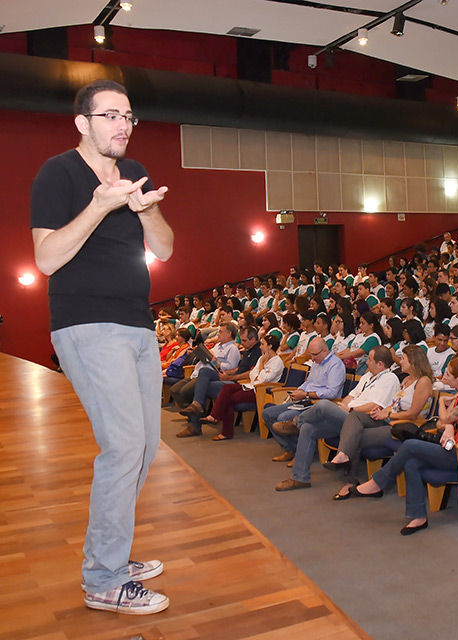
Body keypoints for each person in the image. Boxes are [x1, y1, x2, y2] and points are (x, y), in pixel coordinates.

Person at [30, 79, 173, 614]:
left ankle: (109, 554)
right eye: (111, 115)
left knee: (145, 446)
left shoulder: (136, 174)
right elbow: (46, 259)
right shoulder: (57, 173)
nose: (123, 125)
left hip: (137, 325)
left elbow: (164, 246)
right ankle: (104, 578)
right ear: (82, 123)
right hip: (86, 325)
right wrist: (98, 206)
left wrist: (144, 208)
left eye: (129, 116)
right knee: (121, 448)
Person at [349, 358, 458, 534]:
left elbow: (445, 419)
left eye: (448, 374)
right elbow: (441, 423)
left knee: (409, 445)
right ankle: (418, 517)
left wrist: (443, 410)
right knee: (411, 463)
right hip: (452, 448)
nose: (444, 376)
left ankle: (378, 482)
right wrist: (447, 424)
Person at [273, 346, 400, 491]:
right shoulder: (367, 376)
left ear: (380, 364)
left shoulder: (390, 379)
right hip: (348, 416)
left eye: (370, 359)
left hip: (363, 421)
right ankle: (300, 478)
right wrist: (341, 407)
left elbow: (376, 405)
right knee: (309, 429)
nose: (366, 362)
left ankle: (297, 422)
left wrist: (350, 409)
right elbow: (351, 396)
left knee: (323, 405)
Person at [325, 344, 434, 491]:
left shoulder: (423, 382)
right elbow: (395, 404)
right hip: (389, 420)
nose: (400, 361)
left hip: (403, 427)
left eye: (403, 359)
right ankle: (344, 458)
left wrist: (388, 413)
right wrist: (381, 411)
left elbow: (413, 414)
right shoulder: (406, 380)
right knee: (355, 416)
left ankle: (350, 479)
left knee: (353, 436)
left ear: (413, 361)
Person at [261, 337, 346, 462]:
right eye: (310, 354)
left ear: (324, 351)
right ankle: (291, 449)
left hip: (318, 404)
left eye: (314, 355)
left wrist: (306, 394)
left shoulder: (336, 365)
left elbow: (332, 393)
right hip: (305, 399)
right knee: (267, 414)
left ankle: (300, 453)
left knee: (283, 418)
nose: (312, 358)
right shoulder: (317, 362)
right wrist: (299, 390)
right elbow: (308, 382)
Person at [197, 334, 285, 440]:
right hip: (250, 385)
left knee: (229, 399)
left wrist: (261, 365)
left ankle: (222, 427)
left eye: (262, 344)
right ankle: (215, 417)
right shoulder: (262, 357)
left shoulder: (277, 362)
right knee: (226, 388)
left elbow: (263, 380)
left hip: (261, 391)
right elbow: (253, 375)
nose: (260, 347)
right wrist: (258, 373)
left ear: (270, 346)